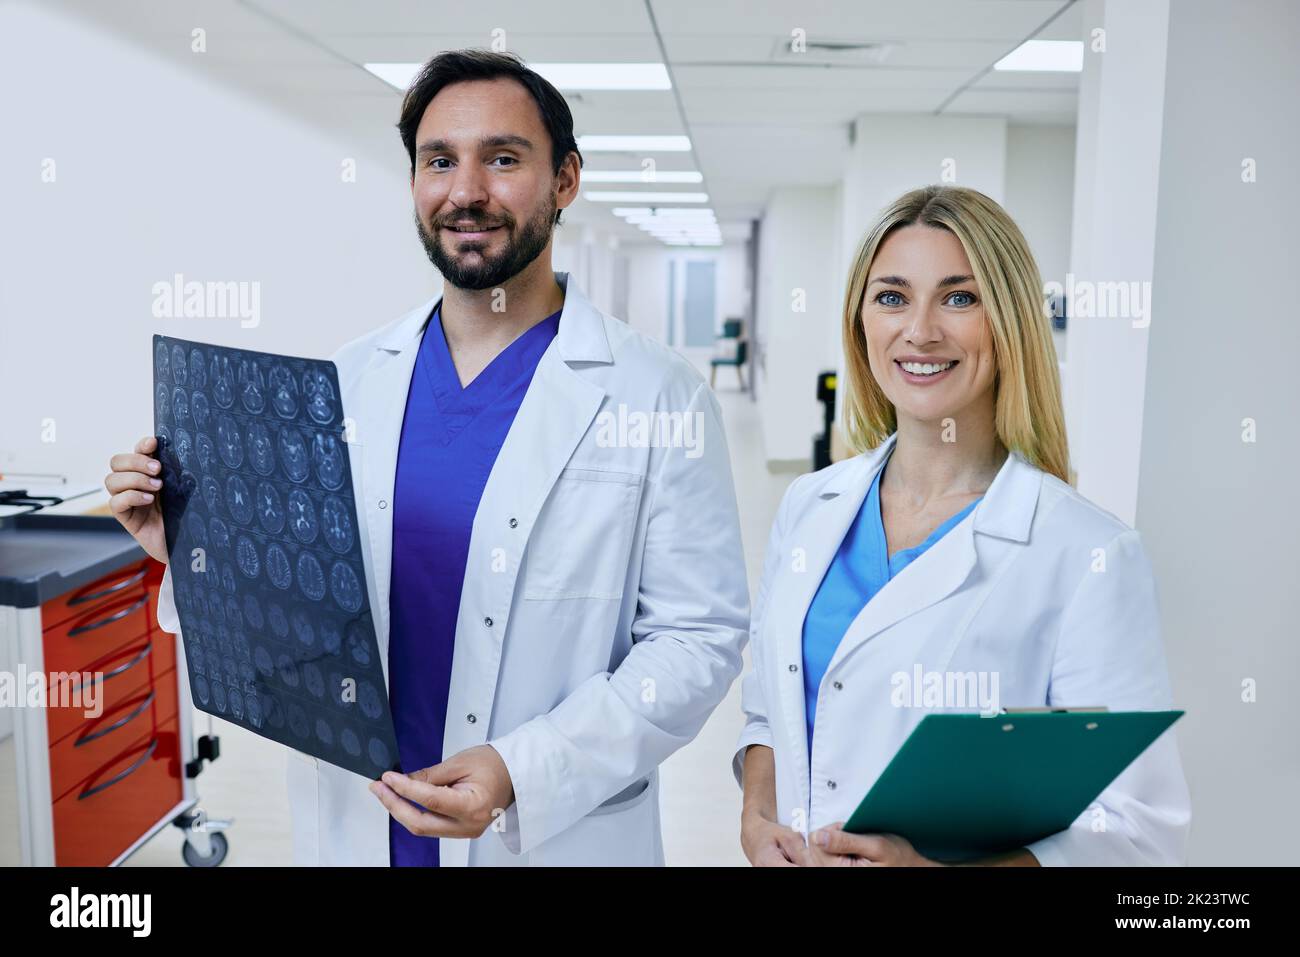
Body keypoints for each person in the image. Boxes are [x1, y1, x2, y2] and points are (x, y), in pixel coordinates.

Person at [105, 49, 748, 867]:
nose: (465, 191)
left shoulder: (658, 395)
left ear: (565, 180)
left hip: (546, 833)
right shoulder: (346, 382)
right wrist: (196, 553)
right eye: (439, 160)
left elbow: (696, 640)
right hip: (360, 822)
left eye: (503, 159)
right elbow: (302, 605)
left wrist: (523, 769)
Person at [735, 185, 1190, 867]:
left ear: (1008, 322)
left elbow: (1138, 832)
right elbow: (768, 710)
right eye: (892, 297)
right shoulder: (809, 505)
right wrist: (756, 817)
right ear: (860, 322)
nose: (920, 331)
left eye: (959, 298)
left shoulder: (1088, 554)